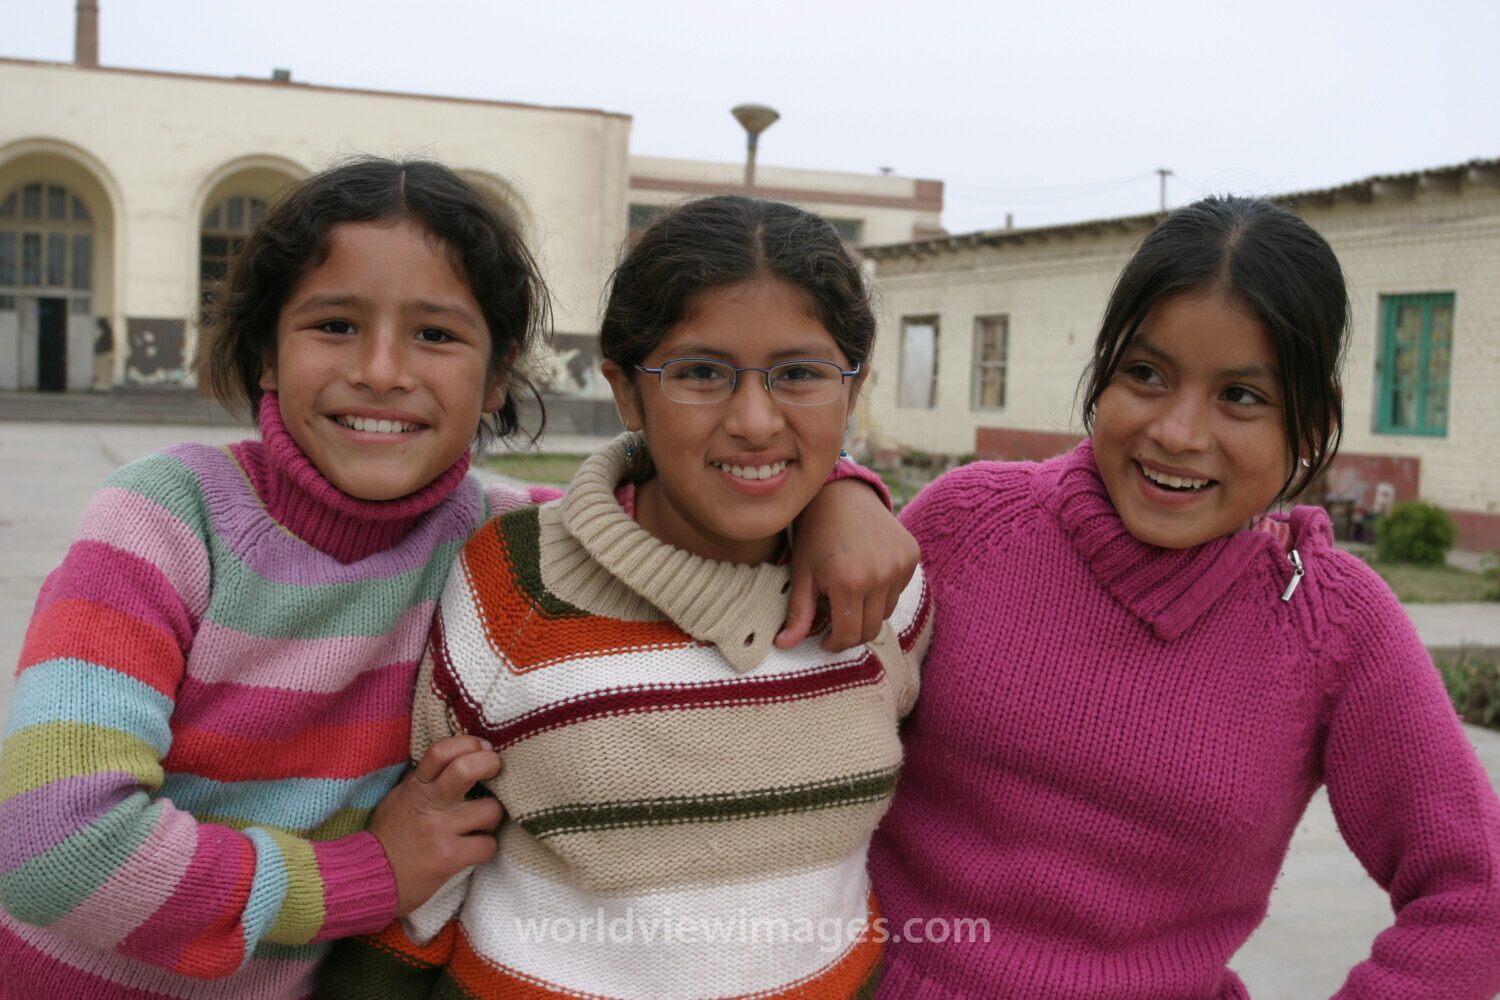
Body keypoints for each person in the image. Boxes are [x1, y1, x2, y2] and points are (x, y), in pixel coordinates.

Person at [0, 162, 917, 1000]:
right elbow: (54, 845)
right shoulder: (164, 521)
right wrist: (370, 875)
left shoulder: (504, 539)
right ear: (266, 351)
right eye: (334, 325)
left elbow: (671, 497)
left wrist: (842, 494)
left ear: (496, 377)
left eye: (436, 334)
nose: (382, 371)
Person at [869, 195, 1500, 1000]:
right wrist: (840, 497)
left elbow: (1476, 892)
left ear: (1311, 426)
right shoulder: (971, 523)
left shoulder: (1332, 624)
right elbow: (790, 721)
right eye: (1145, 374)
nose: (1177, 431)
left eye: (1241, 396)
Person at [319, 195, 933, 999]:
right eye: (701, 373)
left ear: (853, 388)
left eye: (800, 374)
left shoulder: (887, 590)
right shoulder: (516, 587)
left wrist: (850, 490)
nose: (755, 419)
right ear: (627, 392)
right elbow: (431, 864)